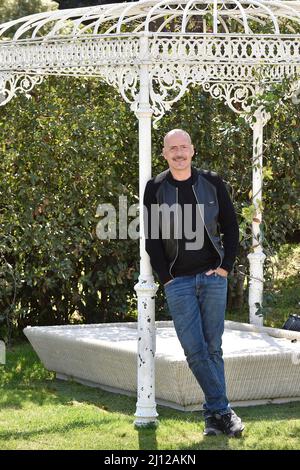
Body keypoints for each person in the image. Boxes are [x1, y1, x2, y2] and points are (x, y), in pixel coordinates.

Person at [143, 129, 244, 437]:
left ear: (192, 150)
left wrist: (225, 267)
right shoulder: (156, 188)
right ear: (164, 153)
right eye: (172, 148)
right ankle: (224, 410)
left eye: (183, 147)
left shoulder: (212, 183)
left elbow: (231, 226)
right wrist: (168, 278)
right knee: (194, 350)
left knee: (213, 348)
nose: (178, 152)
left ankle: (213, 418)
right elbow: (153, 239)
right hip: (179, 282)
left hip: (213, 278)